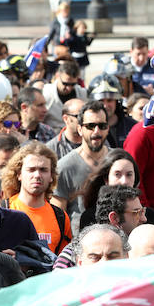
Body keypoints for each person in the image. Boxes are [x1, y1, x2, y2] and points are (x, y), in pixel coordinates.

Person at [2, 143, 72, 254]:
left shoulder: (61, 218)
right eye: (31, 170)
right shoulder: (3, 210)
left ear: (51, 176)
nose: (37, 175)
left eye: (43, 170)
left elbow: (63, 262)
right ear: (19, 174)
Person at [53, 100, 110, 233]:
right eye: (90, 126)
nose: (97, 131)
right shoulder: (64, 166)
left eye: (102, 126)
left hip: (117, 238)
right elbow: (58, 216)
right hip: (79, 241)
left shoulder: (119, 161)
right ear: (79, 129)